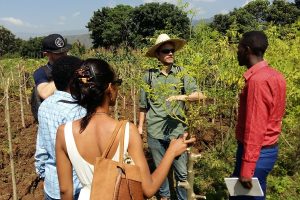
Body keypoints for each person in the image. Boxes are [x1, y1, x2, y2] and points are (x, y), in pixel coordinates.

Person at [55, 58, 195, 200]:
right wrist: (171, 152)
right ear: (110, 88)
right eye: (118, 83)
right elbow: (148, 189)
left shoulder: (63, 133)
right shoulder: (127, 130)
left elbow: (65, 191)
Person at [138, 33, 206, 200]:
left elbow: (200, 95)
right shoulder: (149, 76)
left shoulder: (182, 73)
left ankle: (183, 197)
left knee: (182, 172)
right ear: (158, 55)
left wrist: (181, 97)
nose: (170, 53)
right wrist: (140, 127)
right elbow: (143, 105)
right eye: (165, 51)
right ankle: (165, 197)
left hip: (177, 131)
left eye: (172, 51)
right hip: (155, 130)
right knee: (160, 169)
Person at [230, 31, 286, 200]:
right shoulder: (275, 75)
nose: (237, 52)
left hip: (256, 153)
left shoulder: (258, 81)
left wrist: (247, 168)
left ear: (247, 50)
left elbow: (256, 127)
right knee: (255, 193)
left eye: (239, 48)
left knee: (241, 196)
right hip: (267, 151)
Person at [34, 56, 86, 200]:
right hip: (76, 187)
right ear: (73, 80)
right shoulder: (79, 111)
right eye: (81, 76)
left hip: (51, 185)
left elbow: (41, 145)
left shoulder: (45, 105)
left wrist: (43, 173)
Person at [31, 34, 71, 122]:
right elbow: (44, 93)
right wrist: (66, 73)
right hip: (54, 119)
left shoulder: (74, 65)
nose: (64, 55)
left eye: (65, 51)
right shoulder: (41, 72)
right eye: (59, 53)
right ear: (46, 54)